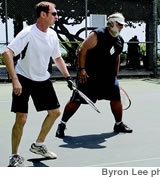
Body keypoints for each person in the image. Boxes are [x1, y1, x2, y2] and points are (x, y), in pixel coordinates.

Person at [2, 1, 73, 167]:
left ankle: (38, 145)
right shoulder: (28, 33)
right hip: (23, 78)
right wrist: (15, 80)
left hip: (42, 79)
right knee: (21, 118)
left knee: (55, 112)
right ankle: (14, 156)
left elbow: (57, 57)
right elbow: (7, 53)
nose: (57, 16)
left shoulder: (53, 35)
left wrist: (68, 77)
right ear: (43, 15)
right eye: (54, 14)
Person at [55, 12, 133, 138]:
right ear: (111, 23)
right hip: (89, 76)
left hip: (108, 77)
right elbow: (83, 50)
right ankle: (62, 124)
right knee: (76, 100)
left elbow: (117, 56)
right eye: (119, 25)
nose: (121, 28)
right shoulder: (97, 34)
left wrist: (115, 75)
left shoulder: (119, 40)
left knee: (116, 99)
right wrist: (82, 69)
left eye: (122, 25)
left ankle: (118, 124)